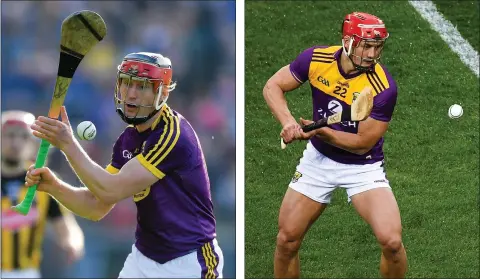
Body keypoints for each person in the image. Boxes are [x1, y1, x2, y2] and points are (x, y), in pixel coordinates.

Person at [24, 52, 224, 278]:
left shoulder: (172, 135)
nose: (130, 94)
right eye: (126, 84)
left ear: (163, 92)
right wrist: (53, 187)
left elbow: (110, 190)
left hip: (188, 262)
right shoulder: (127, 140)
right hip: (143, 259)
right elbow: (95, 205)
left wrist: (68, 144)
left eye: (142, 87)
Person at [263, 12, 406, 279]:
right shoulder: (316, 59)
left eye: (377, 46)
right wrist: (287, 122)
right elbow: (273, 86)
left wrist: (324, 133)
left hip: (363, 167)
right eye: (366, 45)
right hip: (318, 161)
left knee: (392, 243)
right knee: (286, 241)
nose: (372, 53)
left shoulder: (383, 86)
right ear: (347, 42)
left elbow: (363, 144)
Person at [1, 110, 85, 278]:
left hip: (27, 273)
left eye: (23, 137)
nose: (15, 143)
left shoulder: (43, 181)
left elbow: (66, 225)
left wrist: (72, 243)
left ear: (32, 144)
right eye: (9, 136)